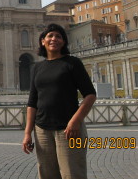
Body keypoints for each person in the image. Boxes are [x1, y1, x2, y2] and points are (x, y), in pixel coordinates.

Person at [22, 23, 96, 179]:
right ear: (42, 41)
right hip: (42, 129)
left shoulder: (72, 63)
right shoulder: (37, 68)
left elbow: (90, 94)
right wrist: (28, 133)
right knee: (47, 174)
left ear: (63, 42)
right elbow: (32, 102)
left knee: (72, 173)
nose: (54, 39)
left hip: (69, 129)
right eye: (50, 36)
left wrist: (75, 121)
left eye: (58, 36)